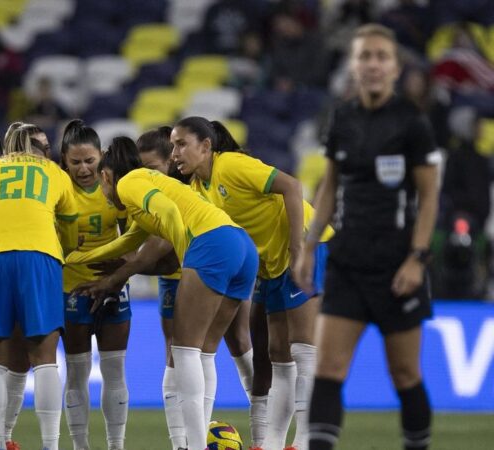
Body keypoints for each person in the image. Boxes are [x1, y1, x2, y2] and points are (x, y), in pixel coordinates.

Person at [293, 24, 439, 450]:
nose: (372, 64)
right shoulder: (342, 117)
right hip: (348, 262)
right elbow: (329, 186)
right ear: (354, 66)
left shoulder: (412, 122)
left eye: (381, 57)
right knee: (328, 369)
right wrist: (309, 245)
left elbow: (429, 197)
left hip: (397, 265)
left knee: (406, 375)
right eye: (365, 57)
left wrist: (417, 258)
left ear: (394, 67)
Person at [66, 137, 258, 450]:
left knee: (182, 352)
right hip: (240, 245)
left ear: (105, 176)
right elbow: (128, 243)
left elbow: (168, 211)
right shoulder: (143, 188)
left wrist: (187, 258)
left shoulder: (129, 184)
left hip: (210, 245)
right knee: (203, 352)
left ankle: (193, 446)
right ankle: (201, 440)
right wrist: (77, 259)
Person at [171, 117, 332, 450]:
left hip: (302, 246)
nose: (174, 153)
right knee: (278, 356)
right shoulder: (199, 188)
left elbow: (291, 186)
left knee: (303, 349)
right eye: (172, 145)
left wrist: (298, 249)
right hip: (272, 266)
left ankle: (304, 441)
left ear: (206, 146)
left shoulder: (231, 166)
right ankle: (273, 443)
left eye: (181, 144)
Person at [0, 125, 79, 450]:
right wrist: (60, 251)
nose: (48, 153)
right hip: (41, 256)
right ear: (34, 149)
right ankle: (51, 445)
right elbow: (71, 223)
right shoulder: (55, 173)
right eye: (44, 147)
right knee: (45, 357)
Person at [48, 120, 129, 450]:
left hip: (112, 288)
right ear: (63, 161)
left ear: (103, 156)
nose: (83, 169)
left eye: (90, 161)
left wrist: (120, 268)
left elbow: (134, 238)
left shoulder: (118, 188)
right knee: (77, 373)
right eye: (75, 162)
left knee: (114, 371)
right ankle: (80, 446)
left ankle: (116, 445)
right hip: (72, 290)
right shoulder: (57, 191)